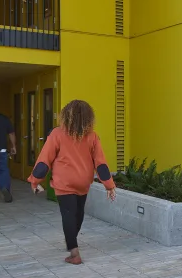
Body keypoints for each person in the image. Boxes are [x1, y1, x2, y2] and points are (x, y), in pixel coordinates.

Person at [28, 100, 117, 265]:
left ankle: (74, 252)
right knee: (78, 214)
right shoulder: (92, 136)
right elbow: (101, 163)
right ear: (88, 117)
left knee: (68, 214)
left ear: (66, 115)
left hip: (64, 182)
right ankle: (71, 239)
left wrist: (35, 181)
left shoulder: (57, 134)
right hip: (83, 182)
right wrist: (109, 185)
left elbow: (44, 160)